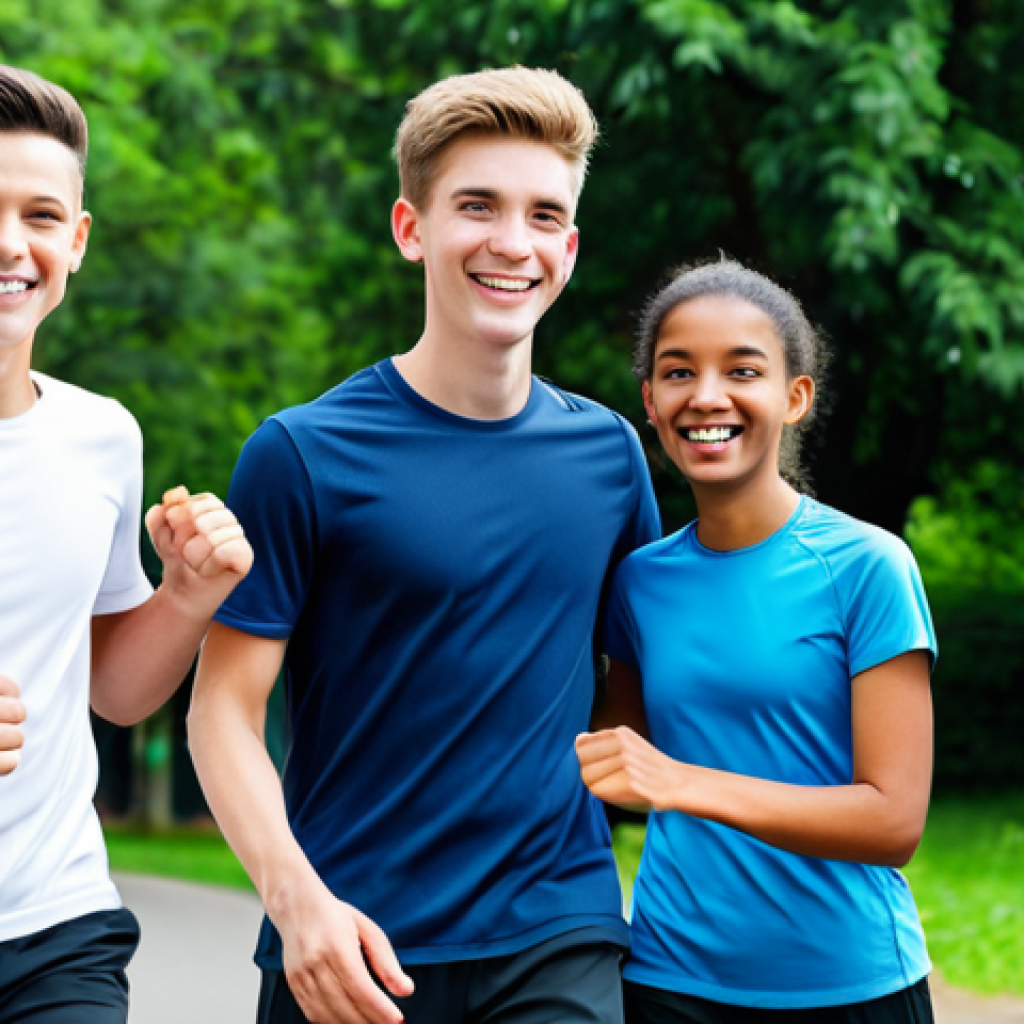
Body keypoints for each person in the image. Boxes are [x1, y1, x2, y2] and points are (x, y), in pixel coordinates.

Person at [186, 66, 660, 1024]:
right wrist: (297, 902)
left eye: (541, 216)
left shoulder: (609, 455)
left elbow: (645, 677)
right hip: (350, 944)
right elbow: (222, 715)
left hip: (555, 931)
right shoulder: (301, 453)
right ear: (411, 228)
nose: (509, 243)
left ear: (568, 247)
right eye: (476, 206)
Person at [576, 260, 936, 1024]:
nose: (707, 397)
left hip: (851, 986)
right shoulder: (638, 582)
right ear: (651, 401)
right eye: (678, 373)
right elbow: (618, 758)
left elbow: (893, 821)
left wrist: (684, 784)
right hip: (671, 983)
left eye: (742, 370)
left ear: (795, 397)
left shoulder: (868, 567)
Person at [0, 65, 253, 1023]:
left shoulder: (103, 435)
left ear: (77, 237)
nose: (9, 245)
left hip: (57, 928)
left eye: (38, 213)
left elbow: (112, 687)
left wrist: (186, 598)